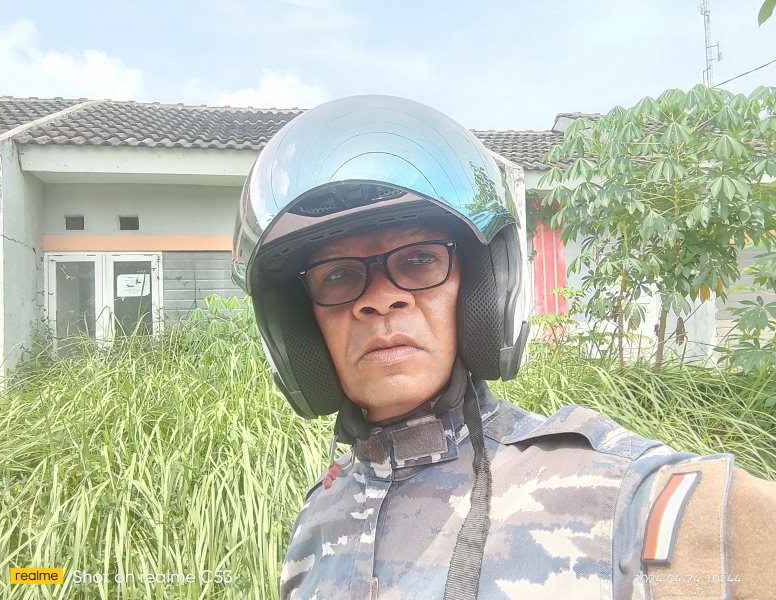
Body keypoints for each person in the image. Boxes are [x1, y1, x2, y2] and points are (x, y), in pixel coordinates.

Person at [232, 95, 776, 600]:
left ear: (482, 290)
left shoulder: (620, 494)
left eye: (419, 260)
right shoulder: (317, 518)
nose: (380, 300)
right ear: (301, 324)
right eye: (338, 275)